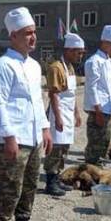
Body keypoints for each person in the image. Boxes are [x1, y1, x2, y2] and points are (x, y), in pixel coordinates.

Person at [0, 7, 52, 221]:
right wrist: (8, 137)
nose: (33, 37)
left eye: (34, 32)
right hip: (15, 138)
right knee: (10, 187)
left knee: (30, 185)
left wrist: (45, 128)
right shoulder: (3, 66)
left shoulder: (34, 66)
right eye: (27, 33)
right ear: (13, 35)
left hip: (34, 137)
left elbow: (37, 100)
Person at [43, 32, 85, 196]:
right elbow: (53, 94)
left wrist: (76, 113)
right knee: (55, 148)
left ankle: (58, 177)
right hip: (57, 113)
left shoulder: (70, 68)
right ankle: (50, 181)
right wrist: (58, 117)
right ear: (69, 50)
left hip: (68, 112)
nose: (80, 56)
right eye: (78, 52)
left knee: (64, 147)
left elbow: (71, 94)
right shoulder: (56, 68)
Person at [83, 25, 111, 166]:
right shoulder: (94, 61)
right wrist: (98, 111)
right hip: (97, 110)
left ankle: (99, 170)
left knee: (104, 142)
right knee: (95, 145)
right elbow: (92, 88)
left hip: (106, 109)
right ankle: (90, 171)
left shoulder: (109, 61)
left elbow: (109, 90)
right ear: (104, 42)